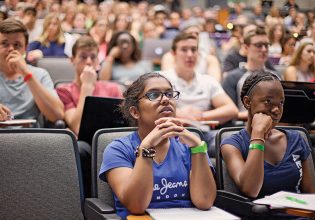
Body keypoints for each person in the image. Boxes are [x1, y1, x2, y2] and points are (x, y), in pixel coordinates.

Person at [99, 72, 217, 219]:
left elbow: (204, 201)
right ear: (135, 112)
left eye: (169, 93)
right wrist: (146, 147)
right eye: (154, 95)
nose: (166, 100)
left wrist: (198, 148)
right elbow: (136, 206)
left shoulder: (192, 145)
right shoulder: (118, 149)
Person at [221, 71, 315, 200]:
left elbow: (310, 196)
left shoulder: (296, 139)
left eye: (281, 103)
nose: (276, 109)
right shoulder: (232, 144)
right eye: (268, 101)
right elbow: (250, 189)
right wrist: (258, 134)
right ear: (247, 102)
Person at [162, 33, 238, 155]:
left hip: (204, 134)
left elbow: (231, 110)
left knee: (233, 141)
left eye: (194, 50)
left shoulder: (207, 81)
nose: (190, 55)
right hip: (174, 133)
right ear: (174, 53)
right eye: (184, 50)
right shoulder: (162, 79)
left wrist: (201, 115)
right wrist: (178, 114)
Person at [0, 18, 63, 123]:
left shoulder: (40, 74)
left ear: (25, 48)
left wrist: (27, 74)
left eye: (17, 45)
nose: (11, 49)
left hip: (31, 137)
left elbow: (57, 115)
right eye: (5, 44)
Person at [56, 35, 122, 136]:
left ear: (98, 61)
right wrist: (87, 86)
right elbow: (77, 128)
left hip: (111, 140)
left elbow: (123, 125)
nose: (89, 62)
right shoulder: (64, 91)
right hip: (83, 145)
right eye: (83, 57)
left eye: (93, 57)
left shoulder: (113, 88)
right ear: (72, 60)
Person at [222, 27, 279, 121]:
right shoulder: (233, 77)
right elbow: (229, 114)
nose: (264, 49)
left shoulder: (277, 76)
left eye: (266, 45)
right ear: (245, 47)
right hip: (243, 128)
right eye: (259, 45)